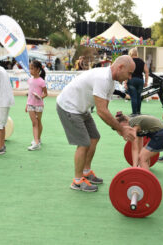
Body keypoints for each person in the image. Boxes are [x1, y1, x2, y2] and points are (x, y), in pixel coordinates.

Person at [56, 55, 136, 192]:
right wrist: (122, 130)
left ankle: (86, 172)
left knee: (94, 137)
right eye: (129, 73)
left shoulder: (110, 82)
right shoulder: (103, 79)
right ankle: (77, 181)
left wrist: (118, 127)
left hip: (81, 107)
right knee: (84, 143)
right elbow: (101, 112)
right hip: (68, 106)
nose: (130, 78)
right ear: (120, 67)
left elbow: (105, 108)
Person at [26, 60, 48, 151]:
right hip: (30, 105)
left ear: (38, 69)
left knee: (38, 122)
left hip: (39, 105)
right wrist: (26, 105)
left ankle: (37, 139)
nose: (30, 70)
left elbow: (46, 93)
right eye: (30, 68)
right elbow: (29, 93)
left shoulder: (41, 81)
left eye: (32, 69)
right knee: (34, 123)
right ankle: (36, 141)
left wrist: (40, 96)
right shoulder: (29, 80)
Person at [124, 48, 149, 115]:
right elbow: (147, 72)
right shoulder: (142, 61)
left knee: (133, 97)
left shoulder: (130, 61)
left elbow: (128, 72)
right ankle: (138, 112)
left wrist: (125, 82)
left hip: (132, 80)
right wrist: (146, 81)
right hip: (140, 80)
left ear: (130, 53)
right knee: (138, 97)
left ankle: (134, 113)